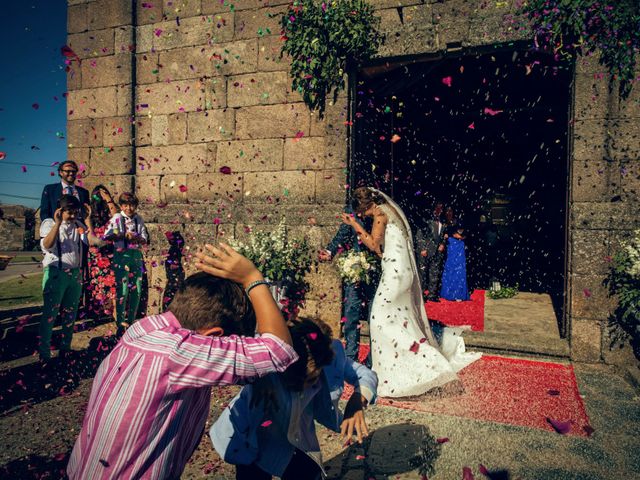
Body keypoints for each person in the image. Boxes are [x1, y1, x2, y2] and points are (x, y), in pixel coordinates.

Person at [67, 243, 298, 480]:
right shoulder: (178, 353)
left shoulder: (146, 327)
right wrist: (252, 278)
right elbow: (279, 351)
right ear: (214, 338)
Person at [340, 187, 481, 398]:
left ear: (367, 205)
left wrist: (355, 224)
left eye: (361, 211)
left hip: (394, 276)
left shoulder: (380, 214)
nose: (362, 215)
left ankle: (430, 367)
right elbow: (383, 250)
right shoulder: (391, 211)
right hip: (402, 272)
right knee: (398, 321)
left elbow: (372, 243)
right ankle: (404, 367)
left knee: (379, 320)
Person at [210, 318, 377, 480]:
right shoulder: (266, 362)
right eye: (293, 380)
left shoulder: (330, 358)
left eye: (311, 380)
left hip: (297, 437)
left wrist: (357, 401)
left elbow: (366, 375)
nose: (301, 386)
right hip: (250, 439)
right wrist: (261, 376)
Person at [39, 195, 102, 361]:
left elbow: (93, 241)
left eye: (75, 212)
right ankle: (44, 354)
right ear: (60, 210)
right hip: (56, 273)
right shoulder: (49, 224)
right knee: (50, 315)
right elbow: (47, 245)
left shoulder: (78, 225)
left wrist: (87, 220)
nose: (73, 216)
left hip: (75, 275)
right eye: (70, 212)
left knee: (70, 314)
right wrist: (58, 223)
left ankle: (65, 348)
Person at [319, 206, 376, 366]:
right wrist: (330, 251)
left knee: (374, 314)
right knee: (351, 311)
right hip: (355, 269)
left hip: (375, 271)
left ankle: (373, 358)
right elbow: (342, 235)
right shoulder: (351, 211)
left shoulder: (378, 213)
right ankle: (351, 356)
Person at [103, 192, 148, 335]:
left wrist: (137, 238)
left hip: (136, 255)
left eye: (132, 205)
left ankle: (131, 320)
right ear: (121, 206)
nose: (129, 208)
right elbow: (106, 235)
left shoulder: (138, 219)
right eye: (126, 205)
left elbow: (144, 238)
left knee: (137, 288)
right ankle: (120, 322)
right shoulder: (117, 218)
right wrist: (123, 235)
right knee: (123, 289)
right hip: (121, 254)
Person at [85, 185, 119, 320]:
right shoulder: (90, 213)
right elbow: (90, 234)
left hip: (110, 253)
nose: (100, 198)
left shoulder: (111, 212)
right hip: (97, 254)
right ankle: (100, 312)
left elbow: (117, 218)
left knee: (112, 284)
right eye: (97, 195)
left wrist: (109, 200)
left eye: (103, 196)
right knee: (98, 284)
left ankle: (114, 312)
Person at [415, 202, 446, 302]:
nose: (439, 211)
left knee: (434, 272)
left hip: (437, 252)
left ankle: (432, 294)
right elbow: (419, 234)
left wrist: (443, 243)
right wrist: (423, 248)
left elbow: (443, 235)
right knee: (423, 273)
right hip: (426, 251)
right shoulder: (426, 220)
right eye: (438, 208)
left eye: (441, 209)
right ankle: (422, 294)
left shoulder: (443, 222)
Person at [440, 225, 470, 301]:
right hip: (451, 246)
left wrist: (460, 236)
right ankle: (448, 292)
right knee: (450, 268)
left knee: (459, 269)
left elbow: (465, 234)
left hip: (459, 247)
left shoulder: (459, 222)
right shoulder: (446, 224)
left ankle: (459, 293)